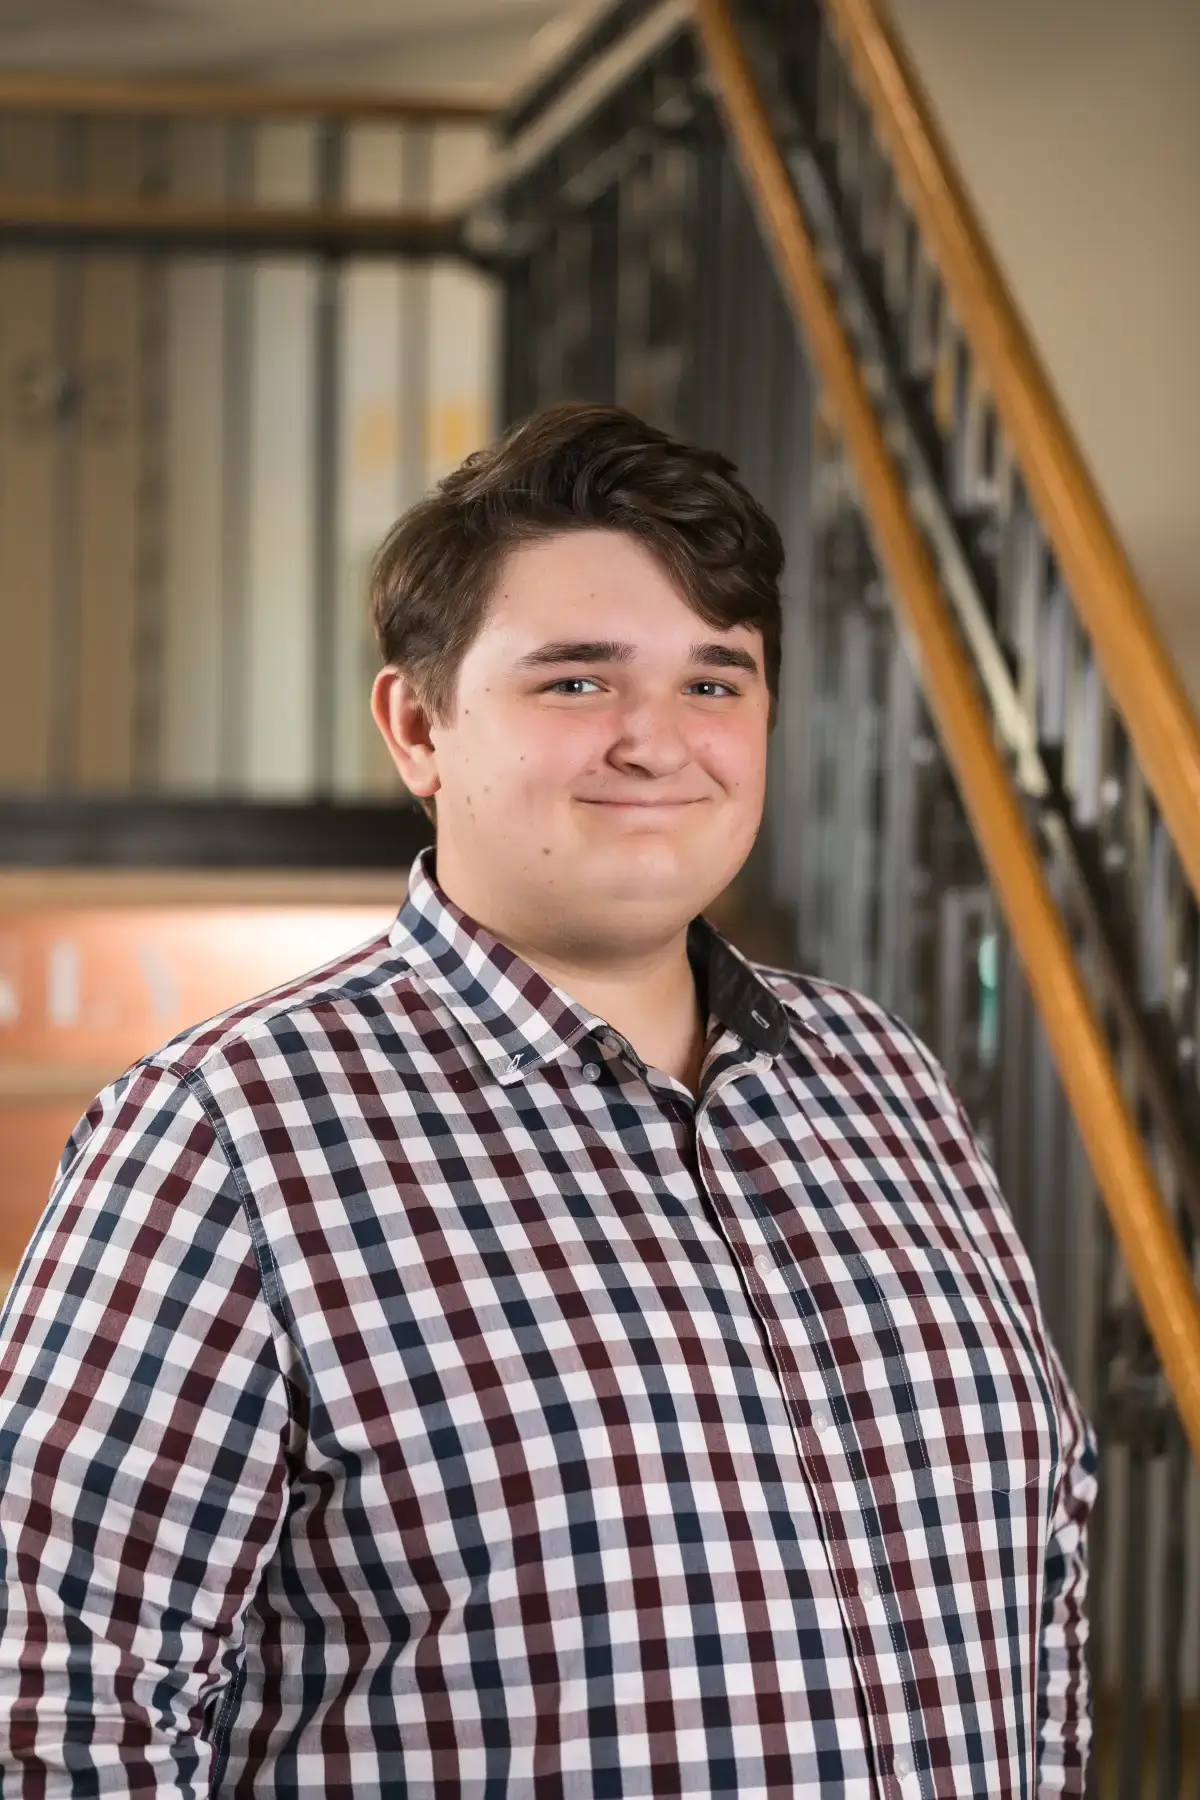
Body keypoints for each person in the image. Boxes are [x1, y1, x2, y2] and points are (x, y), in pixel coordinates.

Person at [0, 404, 1094, 1798]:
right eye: (577, 681)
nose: (658, 742)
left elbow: (1042, 1584)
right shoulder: (226, 1135)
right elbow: (55, 1704)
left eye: (715, 682)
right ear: (418, 727)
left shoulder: (885, 1080)